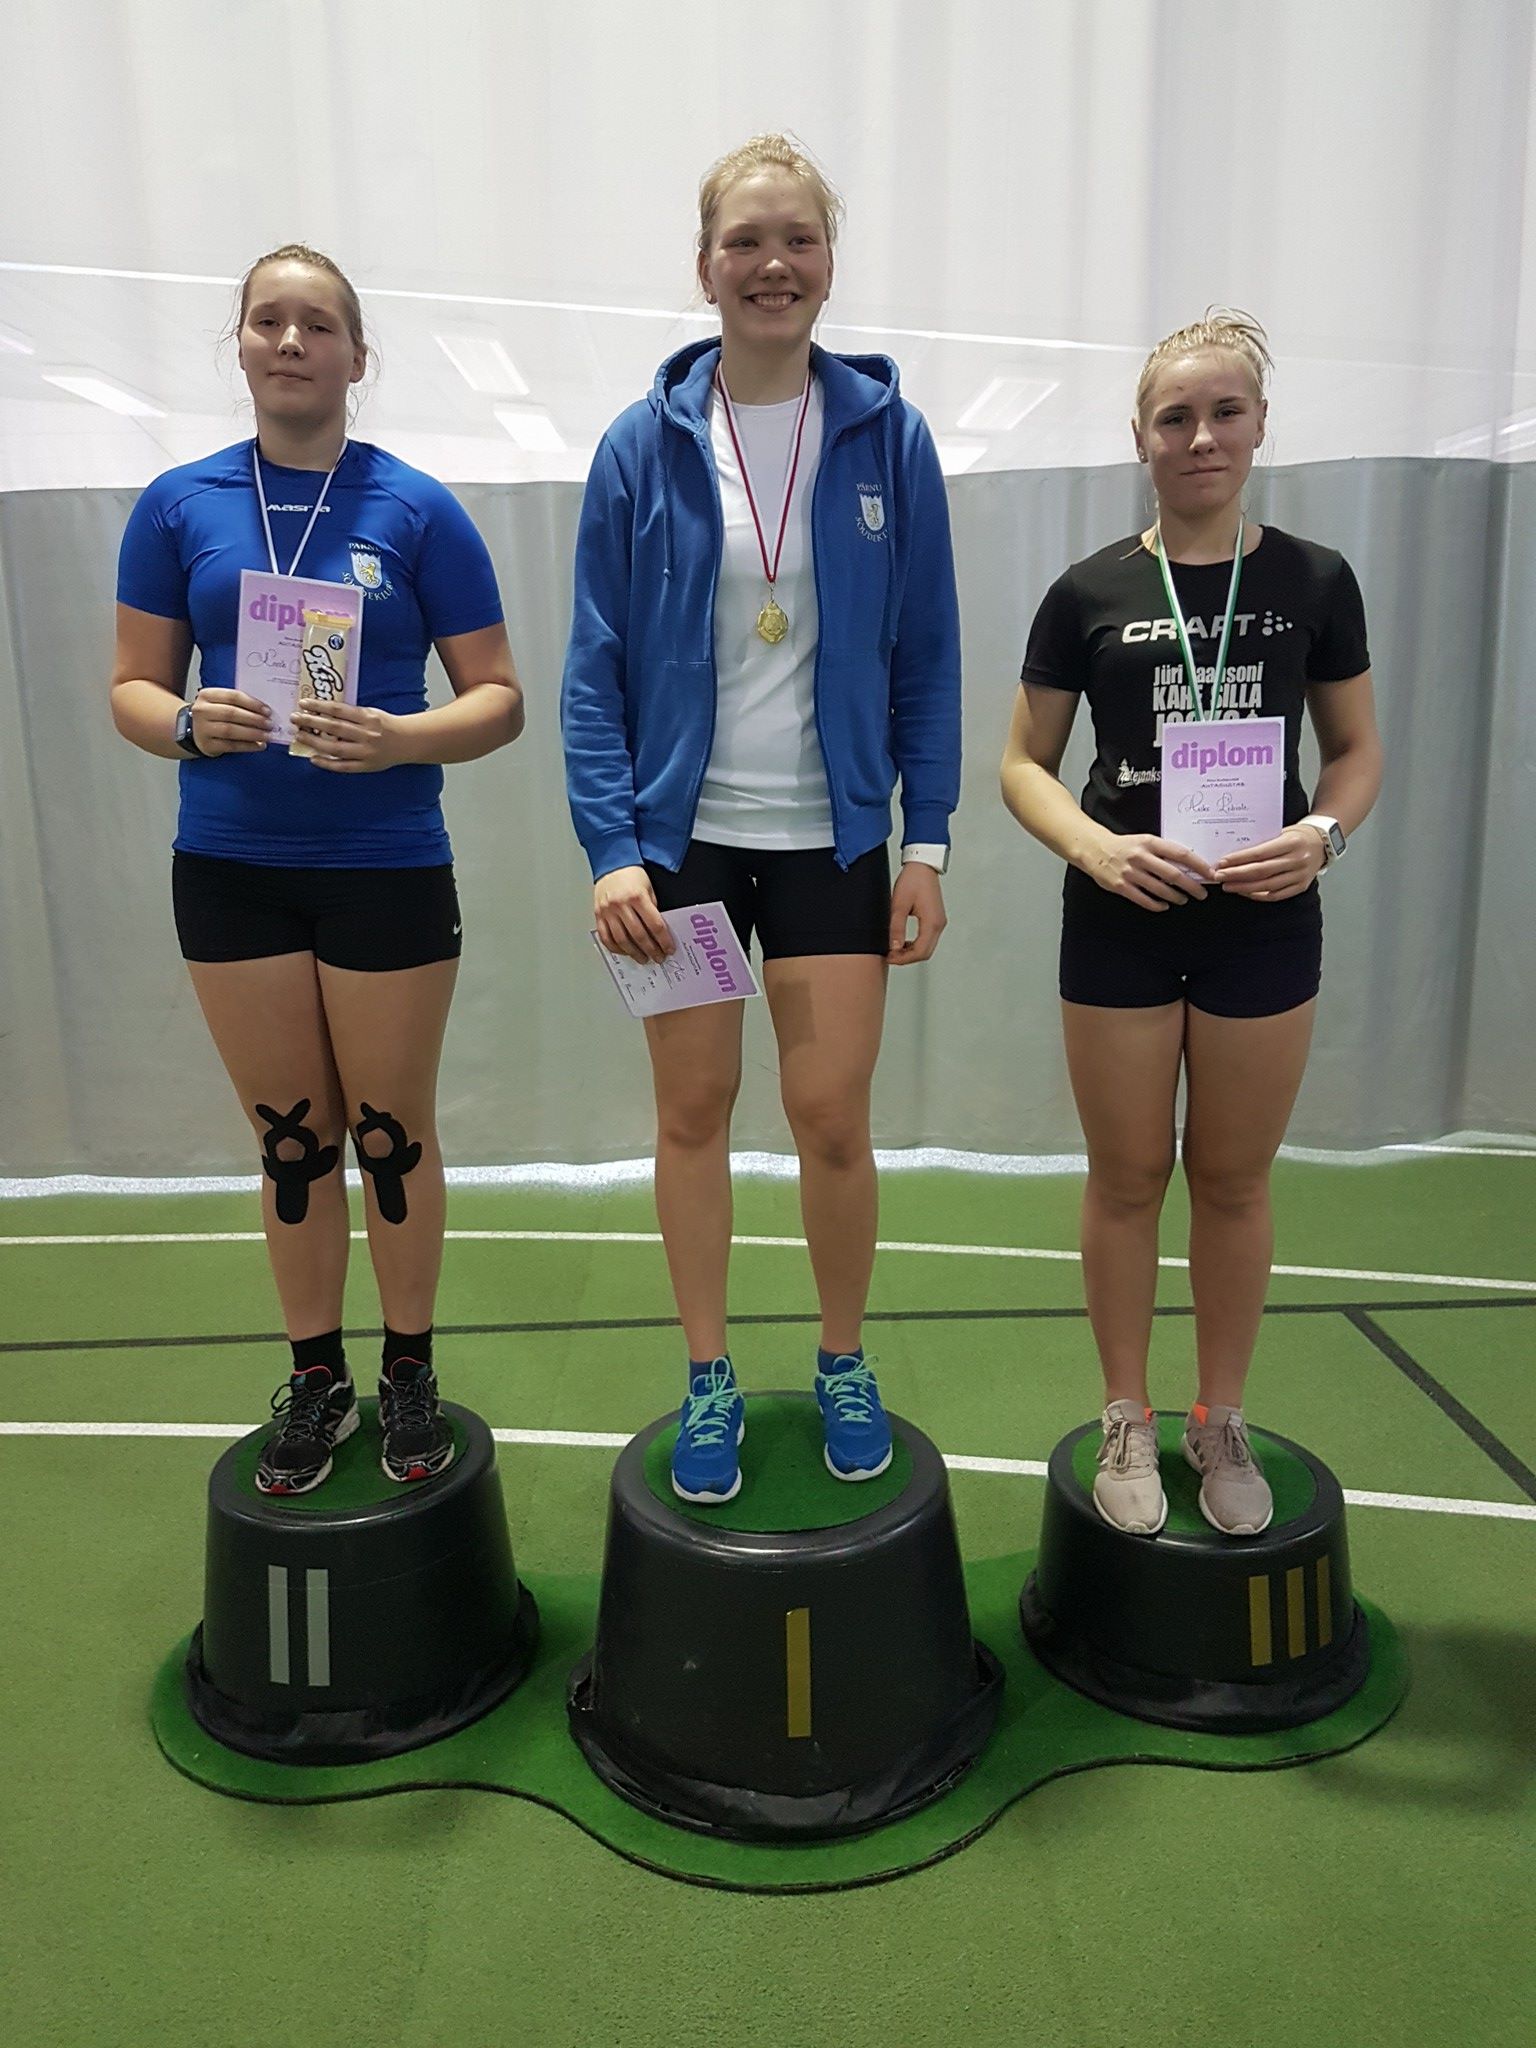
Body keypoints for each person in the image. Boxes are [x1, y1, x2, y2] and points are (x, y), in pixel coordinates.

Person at [562, 135, 961, 1505]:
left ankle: (843, 1357)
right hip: (680, 850)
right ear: (705, 267)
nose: (772, 263)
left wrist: (926, 841)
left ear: (830, 264)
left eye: (798, 238)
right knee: (692, 1111)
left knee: (830, 1116)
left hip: (833, 845)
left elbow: (928, 654)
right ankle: (709, 1375)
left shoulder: (889, 438)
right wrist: (612, 849)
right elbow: (594, 667)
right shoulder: (641, 445)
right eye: (746, 241)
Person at [111, 243, 523, 1495]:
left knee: (389, 1133)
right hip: (231, 867)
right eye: (268, 321)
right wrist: (191, 720)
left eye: (317, 324)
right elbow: (132, 688)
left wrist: (401, 737)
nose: (290, 342)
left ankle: (409, 1368)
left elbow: (498, 697)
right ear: (239, 345)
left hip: (384, 863)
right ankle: (317, 1374)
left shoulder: (417, 508)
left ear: (356, 356)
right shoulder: (177, 504)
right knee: (294, 1141)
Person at [1001, 311, 1382, 1537]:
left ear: (1260, 426)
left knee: (1229, 1177)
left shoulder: (1314, 581)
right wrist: (1096, 846)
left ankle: (1220, 1416)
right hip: (1122, 918)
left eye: (1225, 412)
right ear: (1142, 437)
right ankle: (1126, 1412)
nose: (1202, 436)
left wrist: (1321, 833)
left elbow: (1357, 750)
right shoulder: (1089, 590)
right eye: (1177, 417)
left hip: (1263, 920)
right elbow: (1022, 764)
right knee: (1126, 1178)